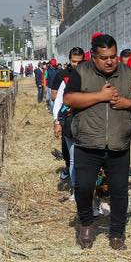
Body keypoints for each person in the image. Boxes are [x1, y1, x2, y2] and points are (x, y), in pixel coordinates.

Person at [64, 36, 131, 249]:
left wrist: (127, 103)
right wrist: (100, 96)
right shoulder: (81, 72)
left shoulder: (128, 75)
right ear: (93, 56)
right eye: (104, 57)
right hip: (88, 141)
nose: (110, 61)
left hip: (119, 143)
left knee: (119, 191)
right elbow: (69, 99)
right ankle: (86, 223)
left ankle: (117, 233)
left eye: (113, 56)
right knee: (84, 187)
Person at [52, 47, 86, 195]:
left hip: (87, 123)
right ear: (69, 60)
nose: (76, 65)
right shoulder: (64, 77)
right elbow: (57, 100)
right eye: (74, 61)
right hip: (70, 122)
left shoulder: (89, 75)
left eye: (80, 61)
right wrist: (57, 121)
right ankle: (75, 191)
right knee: (72, 159)